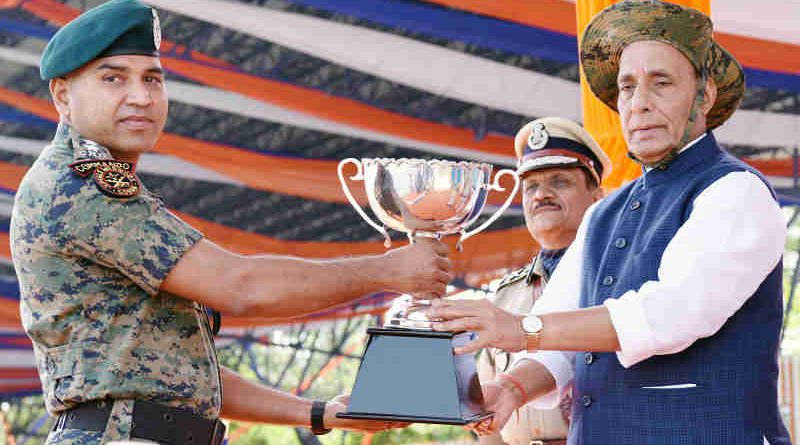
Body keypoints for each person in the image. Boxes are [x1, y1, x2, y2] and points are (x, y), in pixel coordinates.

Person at [10, 1, 452, 444]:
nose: (141, 96)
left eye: (152, 79)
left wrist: (319, 413)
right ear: (62, 96)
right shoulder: (83, 186)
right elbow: (240, 286)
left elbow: (180, 376)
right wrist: (388, 271)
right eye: (114, 78)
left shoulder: (98, 184)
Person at [427, 1, 790, 444]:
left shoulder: (735, 190)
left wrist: (521, 329)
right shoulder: (603, 214)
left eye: (661, 83)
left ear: (704, 94)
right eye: (627, 87)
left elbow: (669, 315)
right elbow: (558, 333)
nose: (639, 104)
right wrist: (510, 388)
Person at [476, 117, 608, 445]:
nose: (541, 195)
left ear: (597, 196)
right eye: (531, 186)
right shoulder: (502, 298)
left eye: (559, 181)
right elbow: (485, 420)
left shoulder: (618, 281)